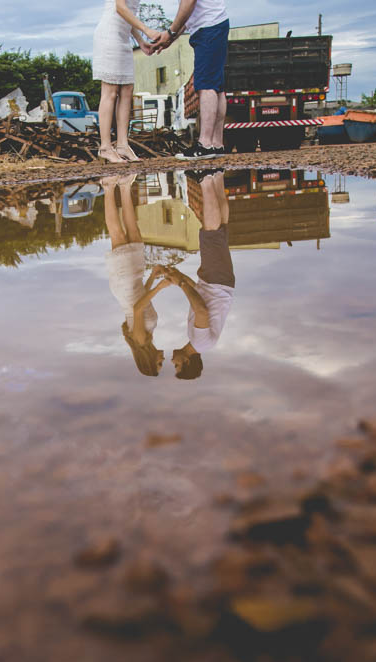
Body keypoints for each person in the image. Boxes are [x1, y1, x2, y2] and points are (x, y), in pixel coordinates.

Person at [165, 170, 233, 379]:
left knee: (220, 230)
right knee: (211, 233)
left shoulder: (198, 341)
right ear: (186, 362)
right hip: (216, 282)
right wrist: (182, 285)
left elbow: (200, 301)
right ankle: (206, 178)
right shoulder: (200, 343)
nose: (172, 362)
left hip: (216, 282)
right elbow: (201, 310)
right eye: (176, 366)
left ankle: (218, 177)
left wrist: (177, 277)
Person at [101, 174, 170, 376]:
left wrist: (159, 287)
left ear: (148, 361)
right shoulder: (149, 336)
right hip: (135, 283)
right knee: (135, 234)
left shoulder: (140, 341)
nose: (162, 360)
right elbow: (143, 300)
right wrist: (153, 277)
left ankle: (107, 187)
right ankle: (124, 187)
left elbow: (138, 308)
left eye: (159, 364)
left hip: (124, 285)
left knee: (118, 236)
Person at [151, 0, 230, 160]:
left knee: (207, 85)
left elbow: (188, 3)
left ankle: (205, 144)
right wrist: (170, 38)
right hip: (214, 24)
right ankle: (216, 143)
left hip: (208, 28)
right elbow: (189, 16)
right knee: (217, 86)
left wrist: (170, 32)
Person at [92, 0, 162, 164]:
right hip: (109, 36)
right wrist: (147, 30)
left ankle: (123, 144)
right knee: (110, 91)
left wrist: (140, 41)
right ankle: (105, 147)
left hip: (123, 38)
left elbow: (128, 16)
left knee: (127, 90)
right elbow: (120, 8)